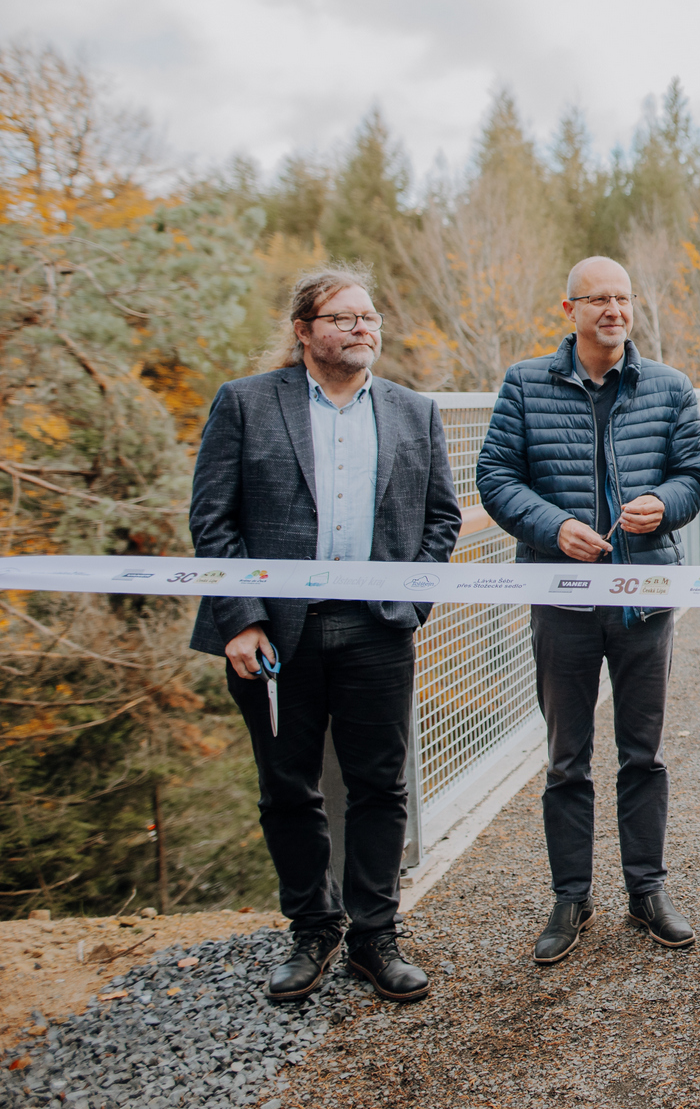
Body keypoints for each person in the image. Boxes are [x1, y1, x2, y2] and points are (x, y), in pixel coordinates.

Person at [189, 265, 460, 1004]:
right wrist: (239, 620)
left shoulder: (413, 411)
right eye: (341, 317)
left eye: (368, 316)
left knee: (379, 783)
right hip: (275, 636)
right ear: (304, 331)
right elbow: (213, 522)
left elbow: (442, 521)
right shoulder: (245, 404)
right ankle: (312, 928)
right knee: (287, 787)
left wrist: (410, 607)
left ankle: (375, 935)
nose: (361, 327)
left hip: (377, 630)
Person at [476, 257, 700, 964]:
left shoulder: (669, 387)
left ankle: (647, 890)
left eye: (622, 298)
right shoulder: (524, 383)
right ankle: (571, 895)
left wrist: (662, 506)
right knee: (566, 757)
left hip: (644, 598)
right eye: (597, 299)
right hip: (562, 598)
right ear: (569, 308)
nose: (612, 310)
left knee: (645, 753)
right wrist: (552, 528)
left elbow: (694, 478)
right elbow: (495, 477)